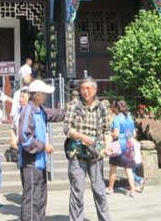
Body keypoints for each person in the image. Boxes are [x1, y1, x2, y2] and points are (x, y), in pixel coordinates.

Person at [63, 77, 113, 221]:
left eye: (88, 88)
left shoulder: (102, 107)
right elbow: (67, 128)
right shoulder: (74, 105)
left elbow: (106, 130)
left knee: (100, 191)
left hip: (95, 154)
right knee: (77, 192)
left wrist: (108, 145)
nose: (85, 91)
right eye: (83, 88)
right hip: (77, 154)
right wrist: (83, 137)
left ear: (95, 90)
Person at [17, 79, 65, 221]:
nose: (46, 97)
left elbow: (56, 114)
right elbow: (25, 139)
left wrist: (72, 110)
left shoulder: (41, 110)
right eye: (44, 94)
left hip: (40, 162)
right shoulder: (28, 111)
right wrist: (44, 146)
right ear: (37, 95)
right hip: (31, 163)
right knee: (31, 200)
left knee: (40, 198)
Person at [107, 100, 140, 196]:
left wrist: (110, 134)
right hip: (128, 145)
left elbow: (116, 134)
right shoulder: (129, 118)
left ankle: (110, 188)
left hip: (118, 146)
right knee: (128, 169)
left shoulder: (117, 118)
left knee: (113, 167)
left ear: (117, 108)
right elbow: (134, 134)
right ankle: (132, 190)